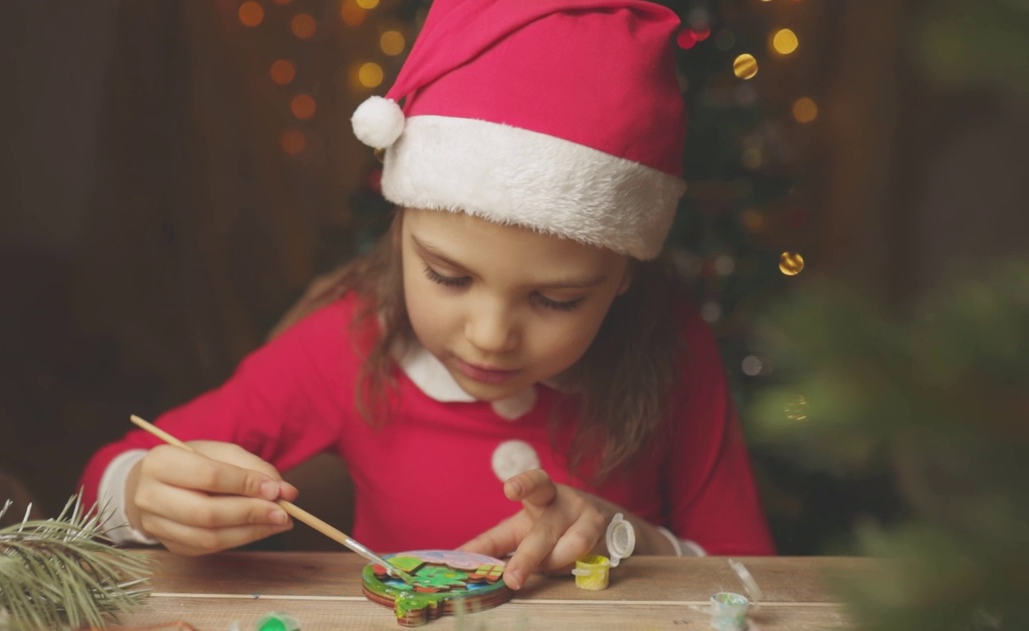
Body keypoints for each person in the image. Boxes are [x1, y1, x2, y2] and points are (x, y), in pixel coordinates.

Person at [79, 0, 776, 591]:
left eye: (556, 300)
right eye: (448, 276)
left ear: (625, 272)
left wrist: (626, 539)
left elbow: (756, 583)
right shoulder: (347, 340)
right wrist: (143, 498)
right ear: (400, 223)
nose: (490, 334)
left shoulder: (674, 351)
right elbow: (107, 476)